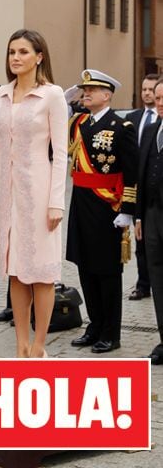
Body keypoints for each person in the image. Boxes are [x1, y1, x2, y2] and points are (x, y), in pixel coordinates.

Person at [0, 29, 68, 358]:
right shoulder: (3, 96)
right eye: (11, 52)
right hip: (8, 193)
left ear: (39, 56)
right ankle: (20, 345)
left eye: (22, 52)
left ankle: (39, 345)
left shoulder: (52, 95)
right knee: (16, 270)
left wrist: (56, 203)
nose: (15, 58)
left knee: (41, 271)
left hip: (40, 191)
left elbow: (61, 153)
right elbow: (0, 152)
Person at [67, 69, 138, 354]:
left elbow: (131, 172)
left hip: (108, 206)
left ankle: (111, 332)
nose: (86, 94)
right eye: (84, 90)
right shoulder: (77, 123)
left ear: (106, 95)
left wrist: (128, 211)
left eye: (92, 90)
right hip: (81, 204)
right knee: (86, 267)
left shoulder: (122, 127)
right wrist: (64, 100)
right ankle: (94, 325)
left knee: (107, 272)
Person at [134, 77, 163, 363]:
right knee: (157, 277)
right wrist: (139, 215)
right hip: (152, 215)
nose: (160, 103)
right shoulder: (152, 129)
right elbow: (141, 174)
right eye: (157, 98)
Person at [126, 73, 159, 300]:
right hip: (141, 190)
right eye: (145, 90)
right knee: (142, 244)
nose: (148, 94)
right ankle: (143, 283)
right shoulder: (135, 119)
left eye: (153, 91)